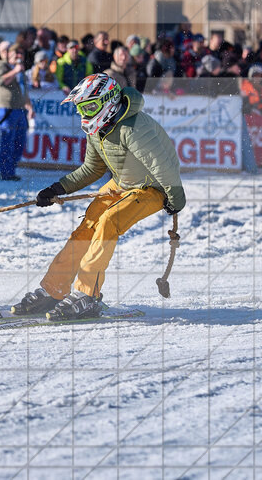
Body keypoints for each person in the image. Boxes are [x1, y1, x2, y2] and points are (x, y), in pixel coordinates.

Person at [12, 74, 185, 321]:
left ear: (108, 102)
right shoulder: (97, 129)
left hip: (153, 187)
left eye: (90, 106)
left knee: (108, 222)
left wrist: (175, 198)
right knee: (87, 227)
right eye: (81, 108)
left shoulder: (134, 127)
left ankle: (87, 296)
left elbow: (162, 167)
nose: (85, 113)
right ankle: (54, 289)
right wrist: (57, 188)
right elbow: (92, 169)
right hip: (123, 183)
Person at [0, 43, 35, 181]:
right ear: (9, 54)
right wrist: (15, 71)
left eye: (21, 54)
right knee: (8, 141)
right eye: (16, 53)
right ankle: (6, 173)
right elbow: (1, 81)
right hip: (7, 109)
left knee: (19, 142)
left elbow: (24, 90)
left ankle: (12, 169)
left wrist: (29, 107)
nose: (19, 56)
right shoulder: (1, 65)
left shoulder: (21, 70)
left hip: (21, 109)